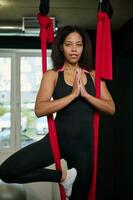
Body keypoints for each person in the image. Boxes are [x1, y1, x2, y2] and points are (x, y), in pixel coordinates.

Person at [0, 25, 115, 200]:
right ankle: (63, 177)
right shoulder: (52, 75)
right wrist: (72, 95)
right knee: (7, 171)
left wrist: (85, 95)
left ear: (84, 47)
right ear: (61, 47)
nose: (74, 49)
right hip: (57, 141)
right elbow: (40, 109)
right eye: (69, 44)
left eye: (79, 44)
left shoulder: (93, 76)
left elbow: (111, 108)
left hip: (84, 149)